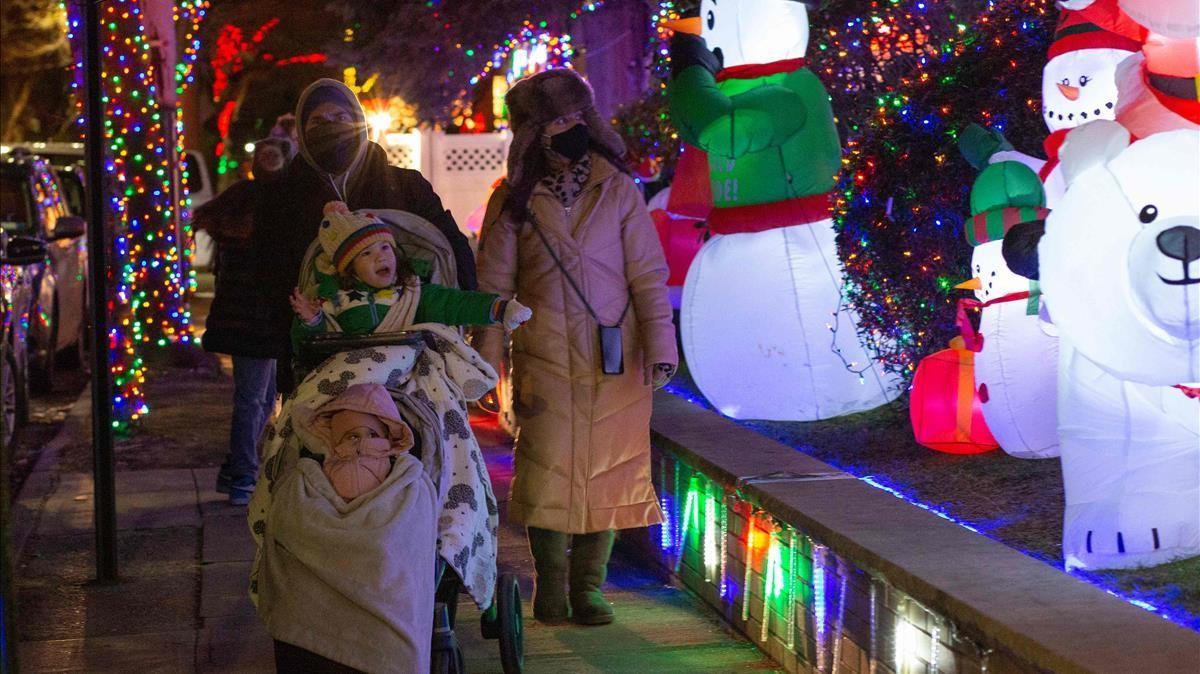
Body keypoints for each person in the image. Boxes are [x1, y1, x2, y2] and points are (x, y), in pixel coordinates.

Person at [473, 69, 679, 626]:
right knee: (547, 470)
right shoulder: (512, 200)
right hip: (542, 354)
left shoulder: (617, 188)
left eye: (573, 118)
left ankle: (590, 588)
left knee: (610, 470)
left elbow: (647, 274)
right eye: (554, 122)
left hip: (616, 354)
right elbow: (493, 287)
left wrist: (661, 344)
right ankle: (552, 585)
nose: (567, 130)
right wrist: (485, 361)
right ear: (532, 133)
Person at [253, 78, 477, 394]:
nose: (329, 128)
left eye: (340, 119)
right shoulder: (283, 199)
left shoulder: (406, 187)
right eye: (318, 121)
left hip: (407, 359)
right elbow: (266, 276)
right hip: (319, 365)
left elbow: (451, 247)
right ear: (302, 131)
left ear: (358, 124)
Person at [196, 137, 293, 505]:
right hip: (254, 318)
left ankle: (236, 469)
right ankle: (242, 476)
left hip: (258, 317)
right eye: (264, 156)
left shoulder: (270, 201)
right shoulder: (263, 204)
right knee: (254, 399)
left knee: (262, 397)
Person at [288, 201, 531, 344]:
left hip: (402, 378)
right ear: (349, 267)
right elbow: (307, 347)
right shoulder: (331, 298)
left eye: (385, 247)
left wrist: (498, 308)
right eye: (366, 254)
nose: (381, 256)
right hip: (349, 377)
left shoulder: (411, 294)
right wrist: (311, 322)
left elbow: (452, 304)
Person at [293, 383, 416, 503]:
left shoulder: (395, 459)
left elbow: (408, 482)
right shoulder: (329, 452)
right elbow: (299, 416)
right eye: (353, 437)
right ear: (337, 439)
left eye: (373, 435)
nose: (363, 441)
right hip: (333, 512)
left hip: (380, 510)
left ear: (386, 437)